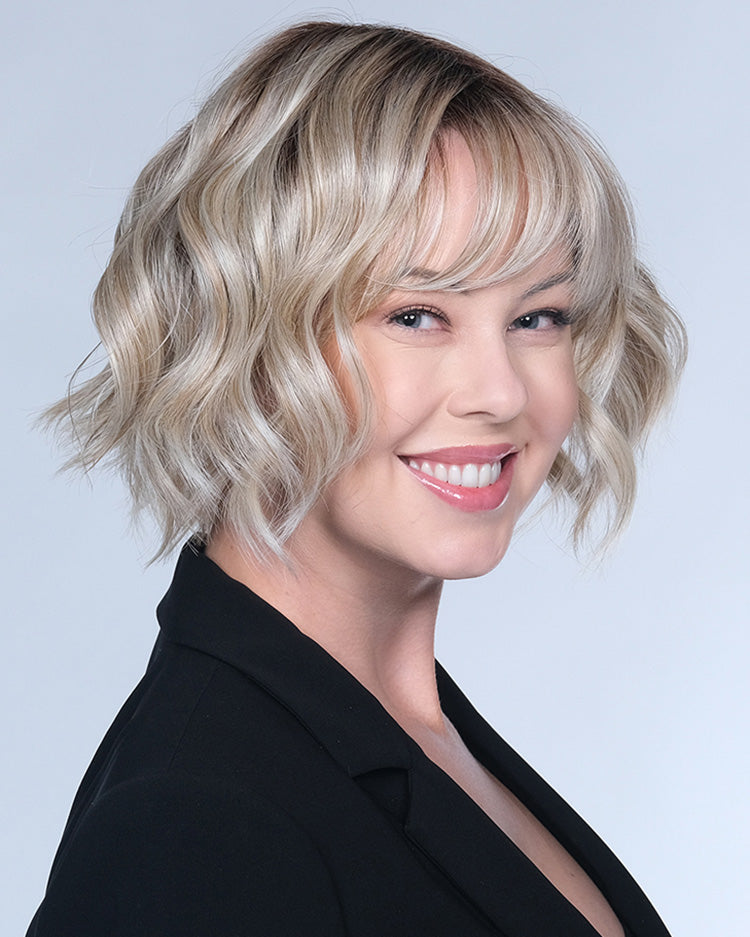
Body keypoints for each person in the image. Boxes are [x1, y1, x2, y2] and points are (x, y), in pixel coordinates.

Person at [26, 21, 686, 937]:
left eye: (538, 316)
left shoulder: (406, 731)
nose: (501, 393)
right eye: (416, 315)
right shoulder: (194, 822)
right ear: (245, 337)